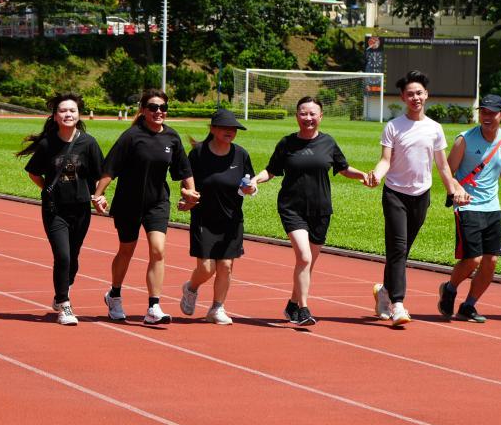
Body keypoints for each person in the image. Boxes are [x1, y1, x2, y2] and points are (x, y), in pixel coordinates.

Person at [251, 96, 372, 327]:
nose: (308, 118)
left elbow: (343, 168)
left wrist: (363, 176)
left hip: (321, 210)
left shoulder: (328, 142)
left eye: (312, 114)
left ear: (321, 116)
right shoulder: (287, 143)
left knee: (307, 263)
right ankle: (303, 310)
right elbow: (271, 170)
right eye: (303, 113)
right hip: (292, 208)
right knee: (304, 257)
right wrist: (256, 179)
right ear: (296, 116)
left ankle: (292, 304)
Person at [370, 70, 469, 326]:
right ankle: (398, 304)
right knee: (398, 248)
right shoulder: (393, 126)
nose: (415, 97)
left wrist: (453, 191)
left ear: (426, 95)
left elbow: (443, 166)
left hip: (421, 195)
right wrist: (377, 175)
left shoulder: (435, 128)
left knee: (401, 251)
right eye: (410, 94)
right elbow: (385, 160)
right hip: (395, 194)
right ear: (403, 97)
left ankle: (384, 291)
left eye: (419, 93)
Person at [95, 89, 198, 324]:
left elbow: (184, 170)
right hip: (128, 203)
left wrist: (190, 193)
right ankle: (114, 295)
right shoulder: (131, 136)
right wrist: (98, 195)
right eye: (153, 107)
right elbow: (110, 168)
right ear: (143, 110)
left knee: (158, 250)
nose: (158, 111)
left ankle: (154, 307)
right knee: (126, 250)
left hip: (157, 203)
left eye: (163, 108)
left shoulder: (171, 137)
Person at [437, 94, 501, 323]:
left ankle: (469, 305)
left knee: (491, 261)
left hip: (492, 208)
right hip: (467, 206)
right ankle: (449, 288)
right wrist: (458, 189)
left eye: (492, 113)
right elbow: (448, 172)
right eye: (483, 112)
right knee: (473, 259)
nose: (486, 117)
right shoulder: (464, 140)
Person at [18, 93, 105, 326]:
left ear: (79, 115)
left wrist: (99, 195)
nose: (68, 114)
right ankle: (64, 305)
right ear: (55, 117)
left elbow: (99, 174)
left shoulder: (89, 143)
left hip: (81, 209)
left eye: (72, 111)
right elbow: (34, 172)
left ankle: (60, 293)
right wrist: (48, 189)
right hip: (54, 210)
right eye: (63, 111)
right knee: (63, 256)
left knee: (73, 258)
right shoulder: (47, 144)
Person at [179, 109, 256, 325]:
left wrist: (250, 189)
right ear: (212, 129)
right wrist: (186, 197)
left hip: (231, 219)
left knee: (226, 266)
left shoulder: (241, 154)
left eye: (233, 128)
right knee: (206, 268)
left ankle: (217, 308)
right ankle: (191, 288)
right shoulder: (198, 154)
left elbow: (248, 183)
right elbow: (186, 184)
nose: (230, 131)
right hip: (204, 218)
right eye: (224, 128)